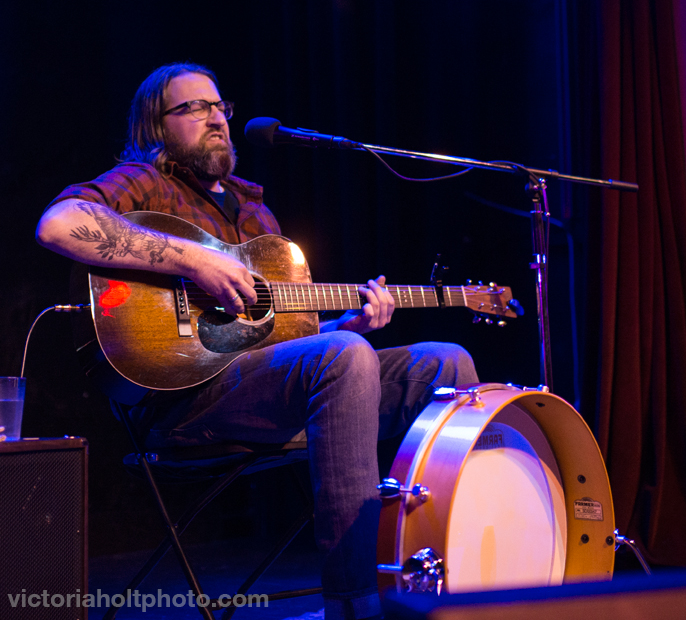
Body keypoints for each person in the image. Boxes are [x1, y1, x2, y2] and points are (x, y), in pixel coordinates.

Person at [36, 62, 478, 620]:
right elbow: (58, 224)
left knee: (445, 365)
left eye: (219, 106)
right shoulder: (143, 183)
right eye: (192, 107)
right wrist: (195, 261)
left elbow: (287, 340)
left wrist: (349, 328)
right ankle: (356, 604)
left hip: (262, 389)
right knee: (342, 358)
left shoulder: (254, 209)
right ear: (156, 125)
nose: (215, 117)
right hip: (182, 403)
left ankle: (447, 583)